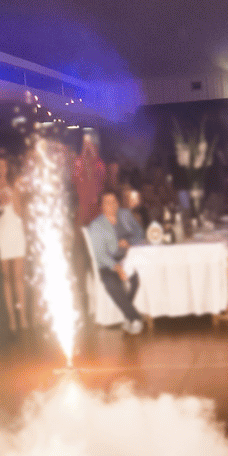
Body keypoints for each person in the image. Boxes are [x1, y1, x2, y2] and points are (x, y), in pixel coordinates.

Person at [87, 190, 147, 334]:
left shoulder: (125, 215)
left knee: (138, 278)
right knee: (111, 282)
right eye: (107, 202)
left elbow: (140, 233)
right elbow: (100, 255)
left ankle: (128, 316)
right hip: (109, 263)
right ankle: (134, 318)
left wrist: (130, 241)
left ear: (118, 203)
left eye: (114, 202)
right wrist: (118, 268)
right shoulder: (96, 226)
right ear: (101, 206)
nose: (112, 205)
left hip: (130, 258)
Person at [0, 155, 29, 334]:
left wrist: (13, 190)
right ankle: (11, 318)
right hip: (2, 229)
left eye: (4, 166)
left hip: (16, 228)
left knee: (19, 276)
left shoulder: (15, 185)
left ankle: (22, 315)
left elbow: (19, 210)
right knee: (6, 277)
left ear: (8, 168)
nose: (1, 169)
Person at [73, 134, 107, 227]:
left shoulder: (99, 166)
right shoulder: (78, 164)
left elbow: (99, 168)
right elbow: (76, 174)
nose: (88, 148)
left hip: (96, 205)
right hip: (82, 206)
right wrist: (85, 147)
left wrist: (89, 146)